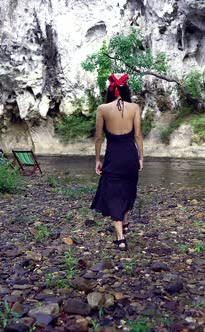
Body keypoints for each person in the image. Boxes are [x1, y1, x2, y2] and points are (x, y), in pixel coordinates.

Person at [90, 73, 143, 251]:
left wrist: (98, 159)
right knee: (128, 189)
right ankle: (125, 221)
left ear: (111, 90)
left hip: (113, 157)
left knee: (113, 193)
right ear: (126, 89)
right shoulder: (134, 107)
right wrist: (141, 157)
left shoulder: (102, 109)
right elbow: (137, 135)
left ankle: (120, 238)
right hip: (130, 156)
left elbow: (98, 138)